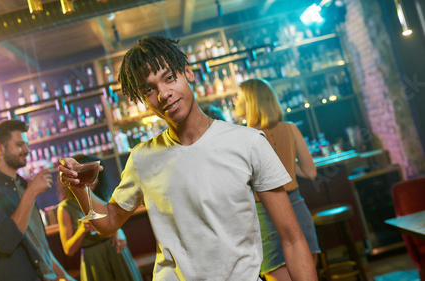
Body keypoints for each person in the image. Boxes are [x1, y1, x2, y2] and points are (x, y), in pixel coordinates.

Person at [59, 36, 317, 281]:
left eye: (169, 78)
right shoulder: (141, 159)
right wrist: (78, 186)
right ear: (143, 101)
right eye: (149, 90)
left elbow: (292, 238)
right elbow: (109, 221)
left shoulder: (248, 142)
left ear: (188, 73)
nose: (163, 93)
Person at [0, 120, 75, 281]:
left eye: (26, 144)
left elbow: (39, 246)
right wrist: (31, 193)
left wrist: (64, 276)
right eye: (19, 144)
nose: (27, 150)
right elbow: (6, 241)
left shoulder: (23, 185)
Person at [234, 78, 320, 281]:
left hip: (267, 215)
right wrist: (287, 163)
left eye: (238, 97)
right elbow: (310, 172)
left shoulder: (244, 136)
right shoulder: (291, 128)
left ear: (251, 101)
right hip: (298, 209)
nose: (235, 102)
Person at [57, 154, 143, 281]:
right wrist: (82, 230)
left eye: (96, 176)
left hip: (116, 251)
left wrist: (118, 231)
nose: (94, 181)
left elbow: (112, 221)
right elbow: (68, 250)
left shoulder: (103, 196)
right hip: (94, 260)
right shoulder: (65, 207)